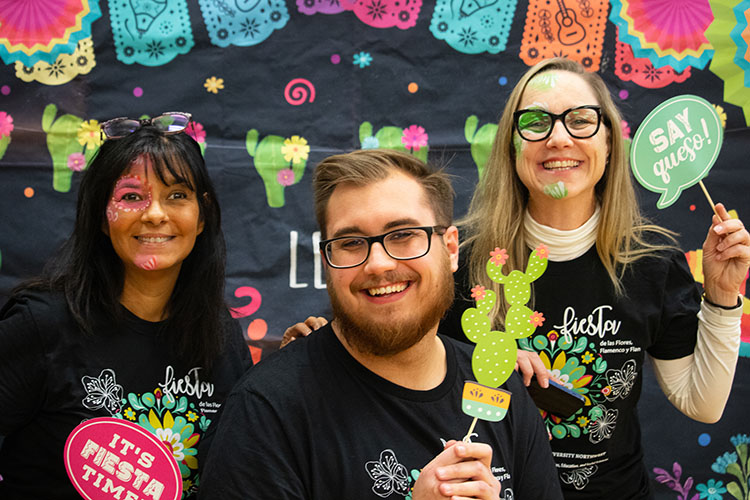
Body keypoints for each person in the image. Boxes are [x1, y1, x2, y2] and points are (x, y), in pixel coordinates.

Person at [440, 58, 750, 499]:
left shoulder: (652, 263)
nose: (559, 138)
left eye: (581, 120)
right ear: (512, 144)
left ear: (608, 141)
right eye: (535, 122)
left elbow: (701, 404)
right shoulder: (460, 259)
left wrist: (721, 295)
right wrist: (471, 363)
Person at [199, 149, 563, 499]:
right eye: (351, 242)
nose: (377, 264)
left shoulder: (499, 386)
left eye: (403, 235)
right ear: (326, 261)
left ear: (451, 249)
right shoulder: (267, 409)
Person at [0, 114, 252, 500]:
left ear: (201, 217)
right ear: (103, 216)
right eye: (131, 197)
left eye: (177, 195)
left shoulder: (220, 335)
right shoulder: (42, 323)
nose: (154, 214)